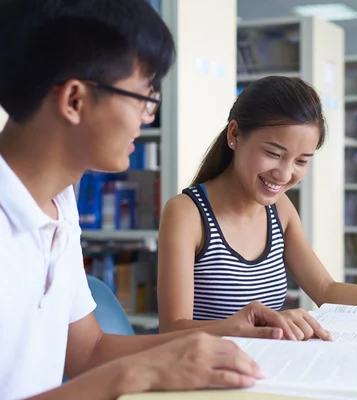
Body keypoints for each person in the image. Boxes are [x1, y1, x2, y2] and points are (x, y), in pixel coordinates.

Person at [0, 1, 295, 399]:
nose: (148, 116)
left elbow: (89, 350)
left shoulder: (59, 204)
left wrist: (223, 332)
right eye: (143, 96)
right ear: (74, 100)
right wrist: (131, 376)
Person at [157, 75, 357, 342]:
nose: (285, 174)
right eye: (274, 153)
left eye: (302, 161)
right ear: (235, 135)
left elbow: (326, 290)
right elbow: (172, 329)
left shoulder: (280, 210)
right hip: (205, 374)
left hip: (266, 369)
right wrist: (241, 327)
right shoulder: (186, 214)